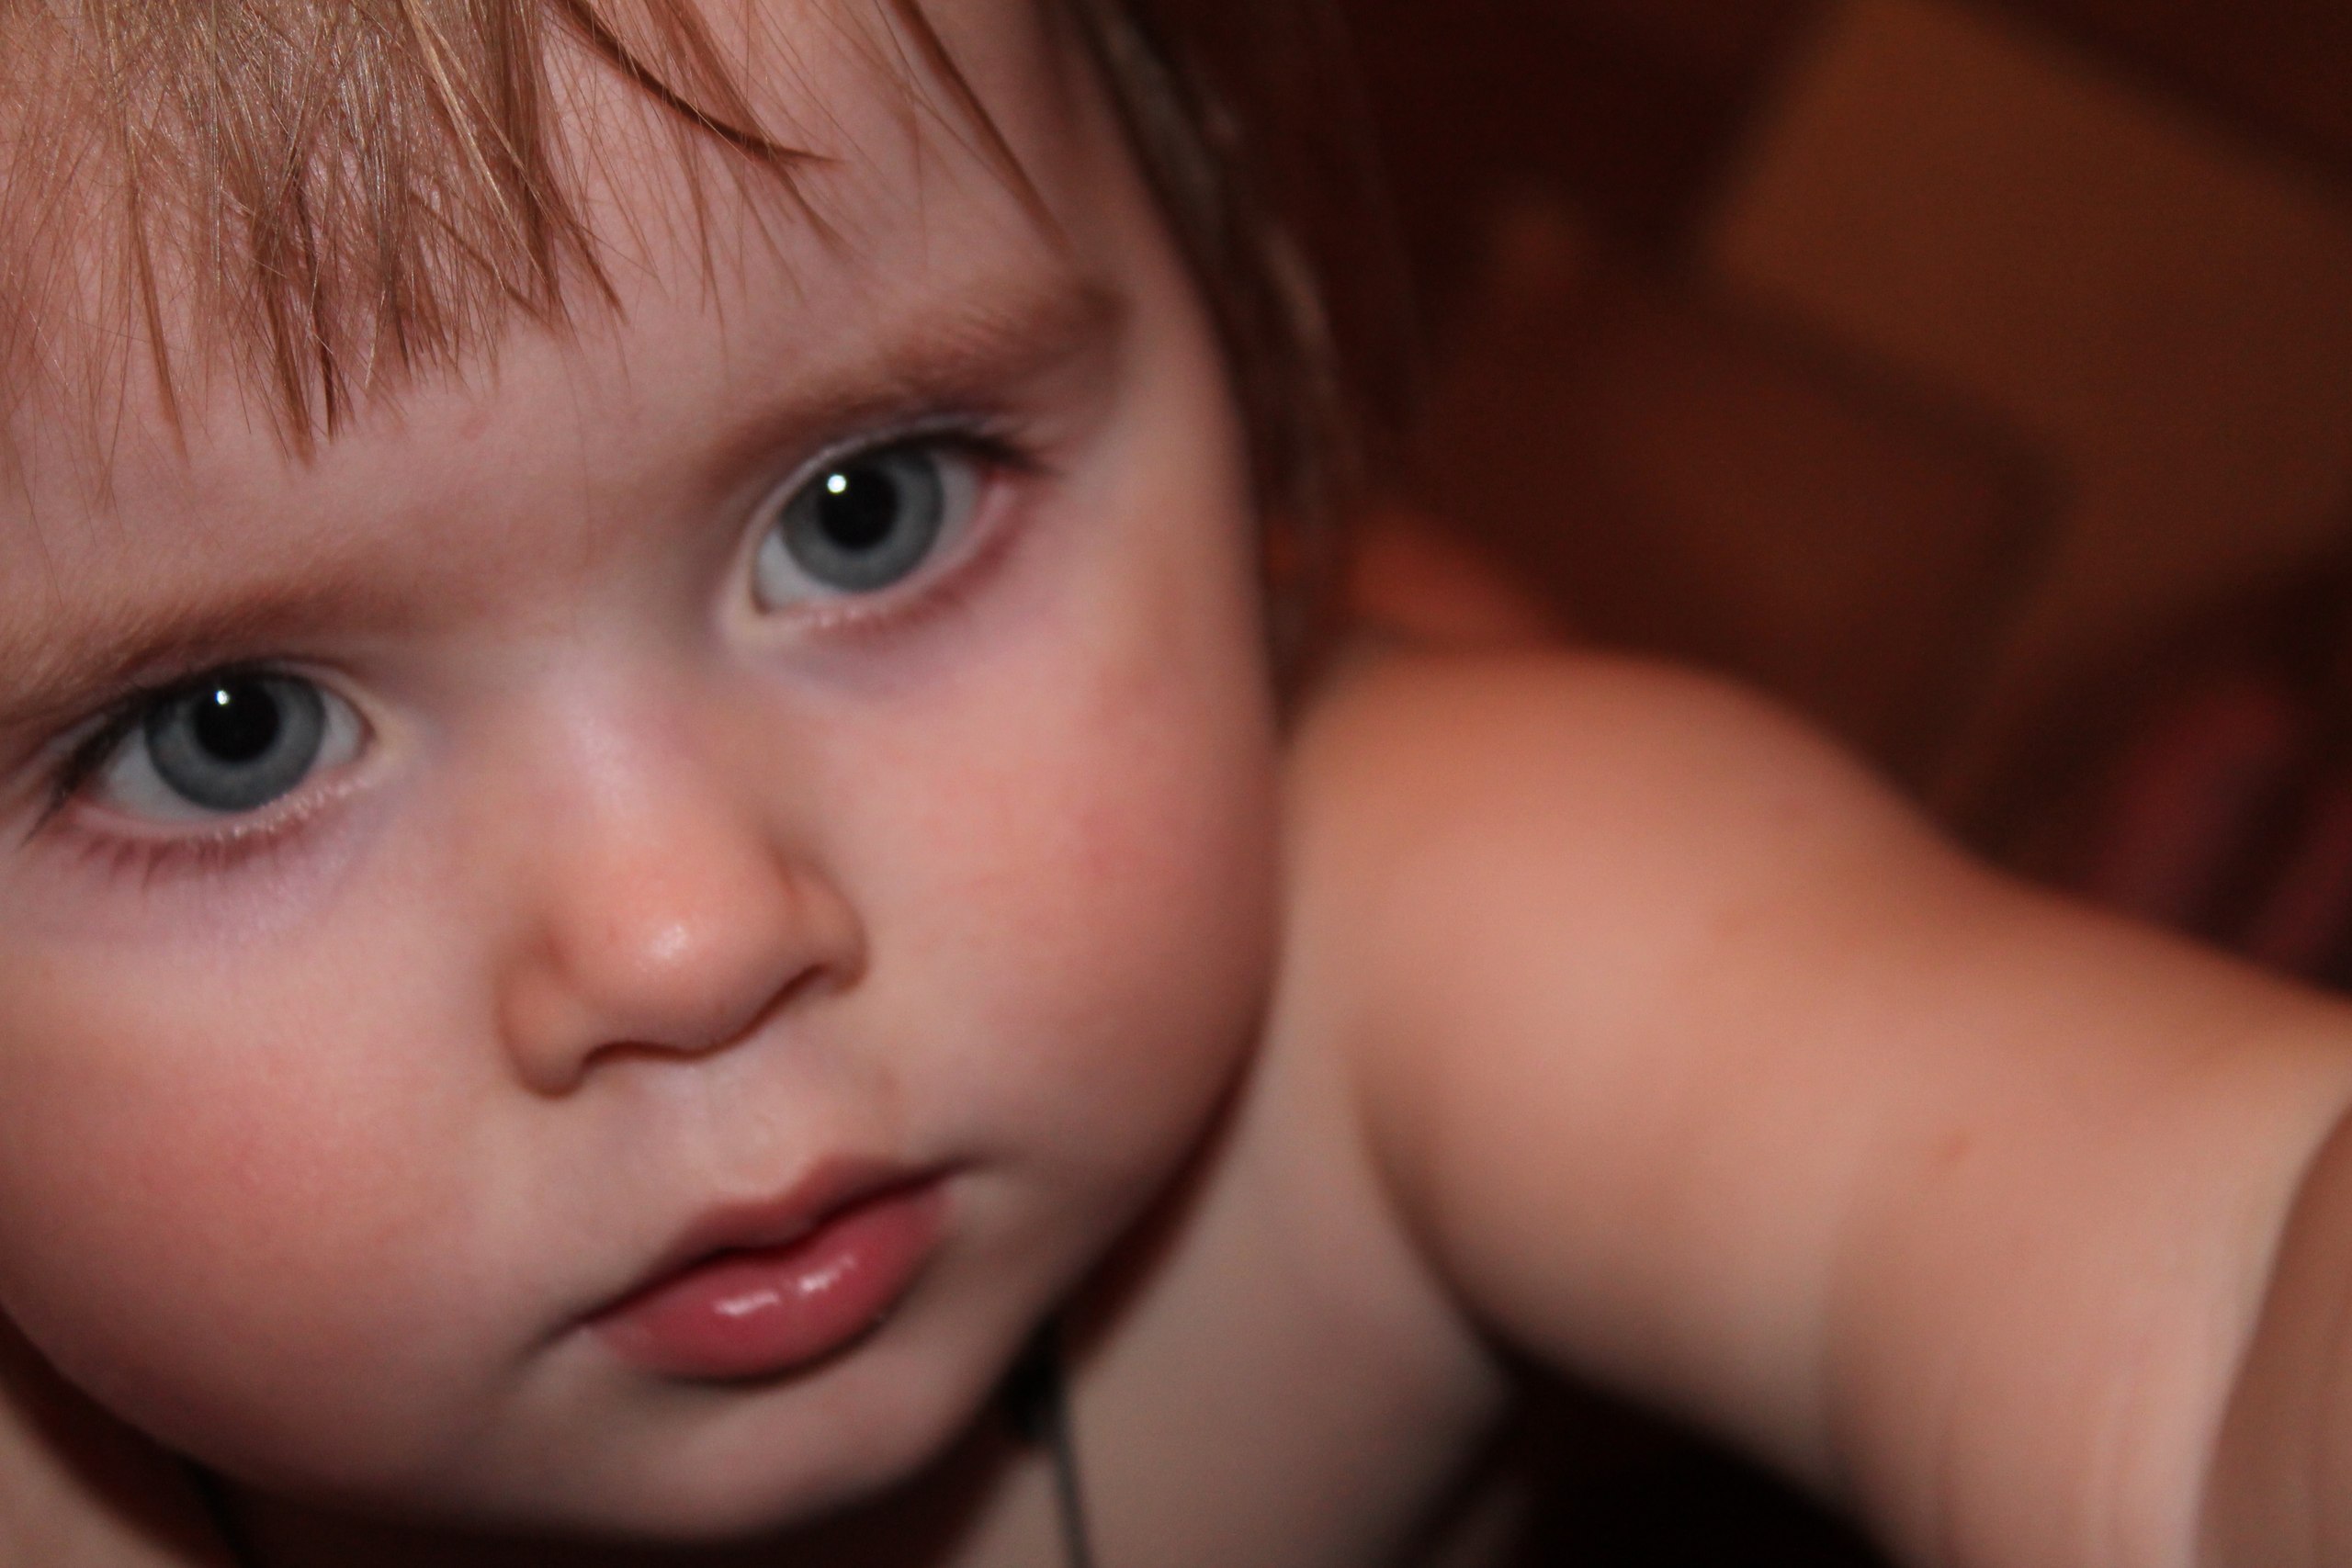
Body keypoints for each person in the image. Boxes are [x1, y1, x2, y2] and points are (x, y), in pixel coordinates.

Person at [0, 3, 2344, 1564]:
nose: (689, 934)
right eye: (227, 732)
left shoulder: (1425, 949)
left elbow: (2221, 1324)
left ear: (1233, 320)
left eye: (866, 508)